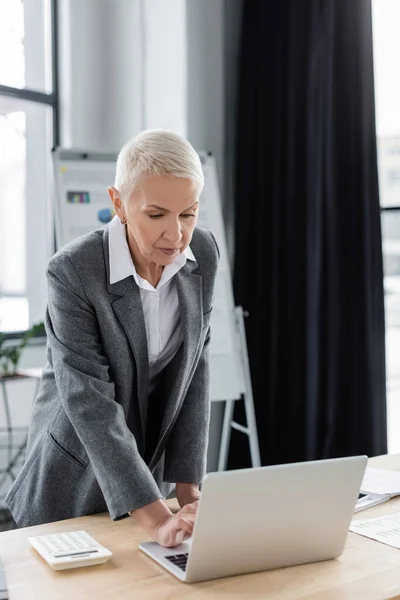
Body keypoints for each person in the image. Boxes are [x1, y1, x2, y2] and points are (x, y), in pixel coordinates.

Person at [5, 130, 219, 548]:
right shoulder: (73, 271)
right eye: (156, 215)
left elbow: (195, 370)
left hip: (144, 475)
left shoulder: (204, 255)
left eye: (188, 214)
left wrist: (188, 488)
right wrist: (156, 516)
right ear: (118, 203)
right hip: (73, 476)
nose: (176, 235)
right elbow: (89, 400)